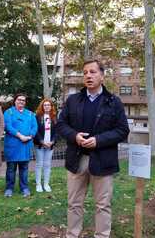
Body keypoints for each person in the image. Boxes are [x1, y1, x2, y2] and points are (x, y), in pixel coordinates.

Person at [56, 59, 130, 238]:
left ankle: (102, 235)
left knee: (102, 205)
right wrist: (75, 136)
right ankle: (72, 235)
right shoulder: (73, 100)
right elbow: (61, 124)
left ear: (102, 76)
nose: (88, 75)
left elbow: (122, 130)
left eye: (93, 72)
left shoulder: (114, 102)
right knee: (74, 203)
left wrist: (99, 140)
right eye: (85, 72)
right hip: (77, 159)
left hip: (103, 160)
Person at [3, 93, 37, 198]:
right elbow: (8, 126)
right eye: (19, 100)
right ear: (15, 101)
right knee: (11, 169)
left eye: (23, 100)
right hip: (13, 145)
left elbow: (34, 126)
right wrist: (20, 136)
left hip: (25, 145)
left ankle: (24, 188)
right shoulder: (8, 113)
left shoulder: (30, 114)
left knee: (24, 168)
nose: (21, 102)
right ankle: (9, 188)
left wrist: (30, 136)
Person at [34, 99, 57, 193]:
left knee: (47, 164)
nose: (47, 106)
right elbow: (35, 131)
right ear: (42, 107)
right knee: (39, 164)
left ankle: (46, 184)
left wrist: (52, 142)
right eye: (45, 105)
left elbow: (57, 132)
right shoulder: (37, 117)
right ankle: (38, 184)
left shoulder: (54, 118)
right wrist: (42, 141)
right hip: (40, 145)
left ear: (51, 107)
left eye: (49, 105)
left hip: (50, 145)